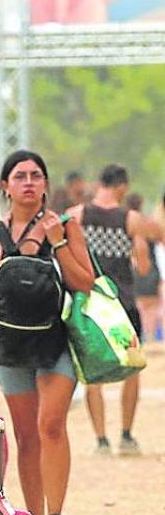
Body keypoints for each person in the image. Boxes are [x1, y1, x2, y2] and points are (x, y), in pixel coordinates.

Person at [0, 150, 94, 515]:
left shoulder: (65, 227)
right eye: (20, 175)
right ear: (5, 186)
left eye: (36, 175)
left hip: (55, 341)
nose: (29, 182)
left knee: (51, 424)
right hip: (8, 347)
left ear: (45, 184)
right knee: (26, 435)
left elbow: (84, 283)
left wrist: (57, 243)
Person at [66, 164, 152, 454]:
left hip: (90, 304)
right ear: (123, 187)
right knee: (132, 368)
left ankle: (101, 440)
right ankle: (126, 435)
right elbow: (143, 266)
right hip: (123, 304)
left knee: (92, 370)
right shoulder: (131, 219)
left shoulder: (78, 215)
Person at [127, 193, 162, 342]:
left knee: (139, 306)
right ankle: (151, 337)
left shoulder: (127, 223)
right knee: (152, 307)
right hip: (151, 268)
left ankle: (141, 338)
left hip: (134, 269)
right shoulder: (150, 224)